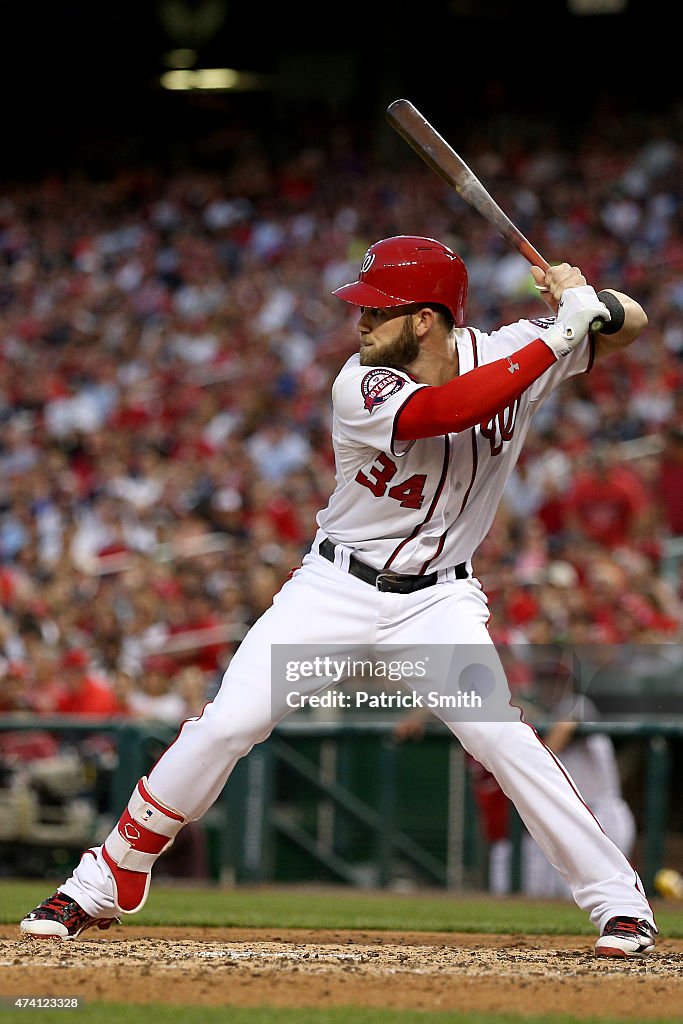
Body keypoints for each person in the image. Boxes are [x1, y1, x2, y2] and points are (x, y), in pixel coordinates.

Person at [20, 235, 656, 958]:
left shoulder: (515, 345)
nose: (359, 323)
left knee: (501, 739)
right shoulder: (360, 382)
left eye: (377, 311)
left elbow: (629, 323)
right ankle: (105, 877)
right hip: (333, 587)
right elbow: (444, 411)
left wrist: (587, 301)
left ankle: (618, 904)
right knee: (228, 723)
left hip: (437, 603)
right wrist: (567, 327)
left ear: (425, 320)